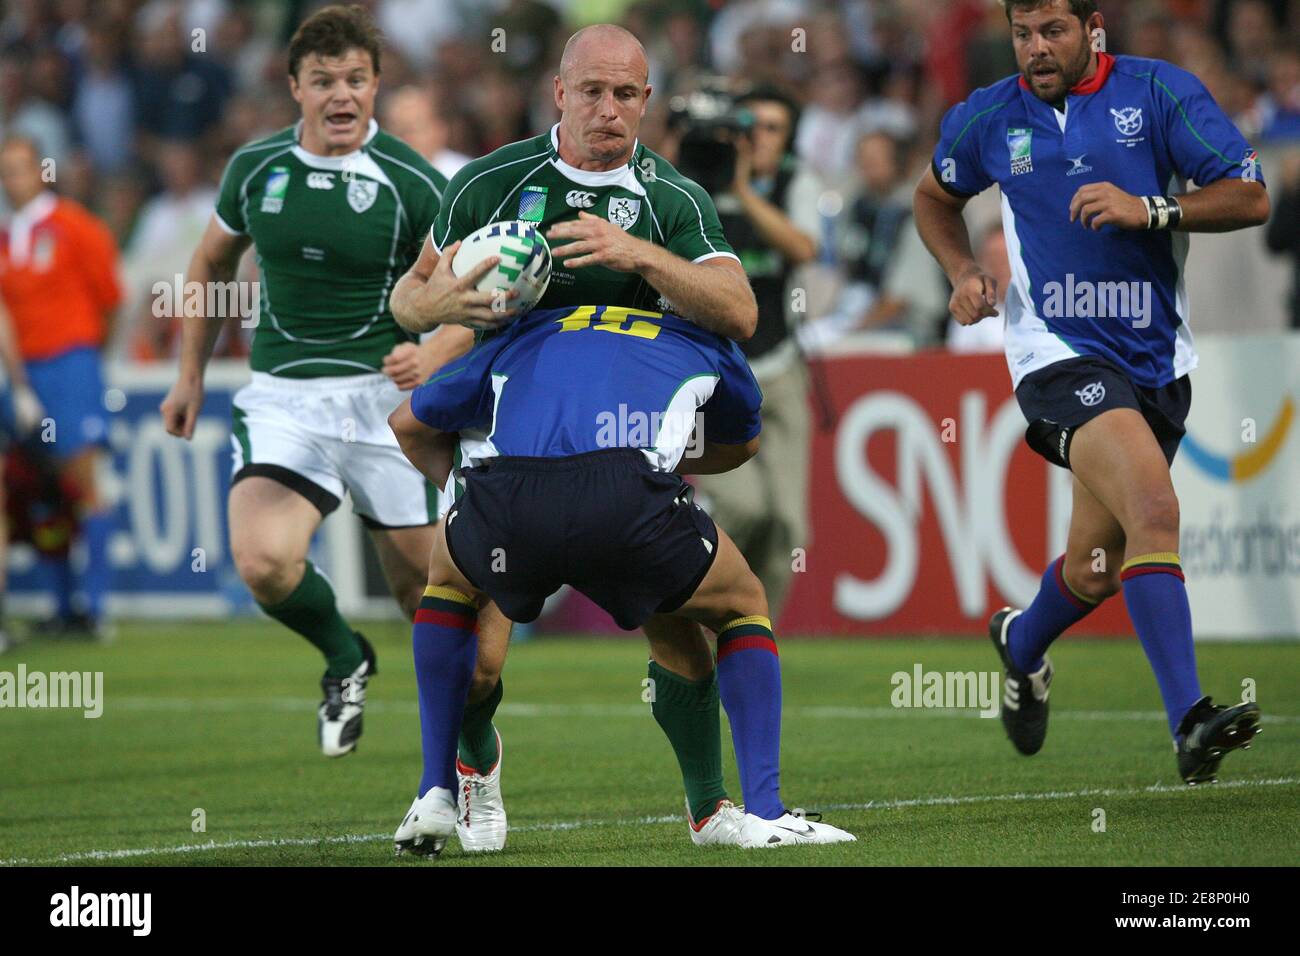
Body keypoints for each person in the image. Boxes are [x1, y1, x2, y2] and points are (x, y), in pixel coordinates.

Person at [387, 23, 774, 853]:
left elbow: (741, 313)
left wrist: (635, 251)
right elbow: (410, 303)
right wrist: (448, 309)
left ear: (647, 102)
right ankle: (467, 773)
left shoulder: (672, 200)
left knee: (678, 629)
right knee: (480, 663)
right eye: (592, 92)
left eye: (627, 94)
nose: (608, 111)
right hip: (504, 416)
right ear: (558, 93)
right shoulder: (492, 182)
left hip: (619, 439)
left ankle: (711, 811)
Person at [913, 0, 1269, 784]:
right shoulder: (988, 118)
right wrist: (964, 271)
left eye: (1053, 32)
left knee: (1097, 566)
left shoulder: (1160, 94)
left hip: (1154, 359)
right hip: (1057, 354)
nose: (1035, 50)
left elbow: (1251, 195)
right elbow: (935, 197)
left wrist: (1153, 209)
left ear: (1093, 28)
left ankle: (1021, 643)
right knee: (1155, 509)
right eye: (1022, 34)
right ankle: (1190, 721)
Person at [387, 304, 857, 854]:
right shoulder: (702, 335)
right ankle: (763, 811)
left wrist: (470, 503)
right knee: (740, 603)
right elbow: (744, 442)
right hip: (626, 502)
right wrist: (654, 456)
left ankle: (436, 788)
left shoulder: (520, 331)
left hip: (507, 501)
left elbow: (406, 423)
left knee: (447, 592)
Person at [159, 4, 450, 758]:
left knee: (431, 596)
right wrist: (189, 375)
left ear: (378, 85)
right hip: (286, 398)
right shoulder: (256, 169)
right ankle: (345, 656)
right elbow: (211, 264)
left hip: (387, 405)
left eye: (356, 78)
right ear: (295, 87)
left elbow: (465, 294)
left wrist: (434, 352)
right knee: (261, 561)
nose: (342, 95)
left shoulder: (411, 182)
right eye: (324, 81)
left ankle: (464, 763)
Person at [692, 85, 820, 622]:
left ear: (787, 139)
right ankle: (698, 603)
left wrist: (743, 190)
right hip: (718, 373)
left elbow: (804, 248)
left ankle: (755, 634)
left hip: (781, 367)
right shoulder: (697, 181)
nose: (759, 138)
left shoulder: (796, 182)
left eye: (773, 129)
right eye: (752, 126)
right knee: (745, 506)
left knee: (789, 523)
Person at [0, 135, 122, 640]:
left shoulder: (75, 226)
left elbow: (110, 298)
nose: (12, 180)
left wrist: (87, 357)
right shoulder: (6, 239)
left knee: (85, 484)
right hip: (24, 377)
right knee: (40, 492)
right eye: (4, 172)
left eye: (20, 169)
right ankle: (60, 606)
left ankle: (95, 609)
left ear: (42, 171)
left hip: (71, 366)